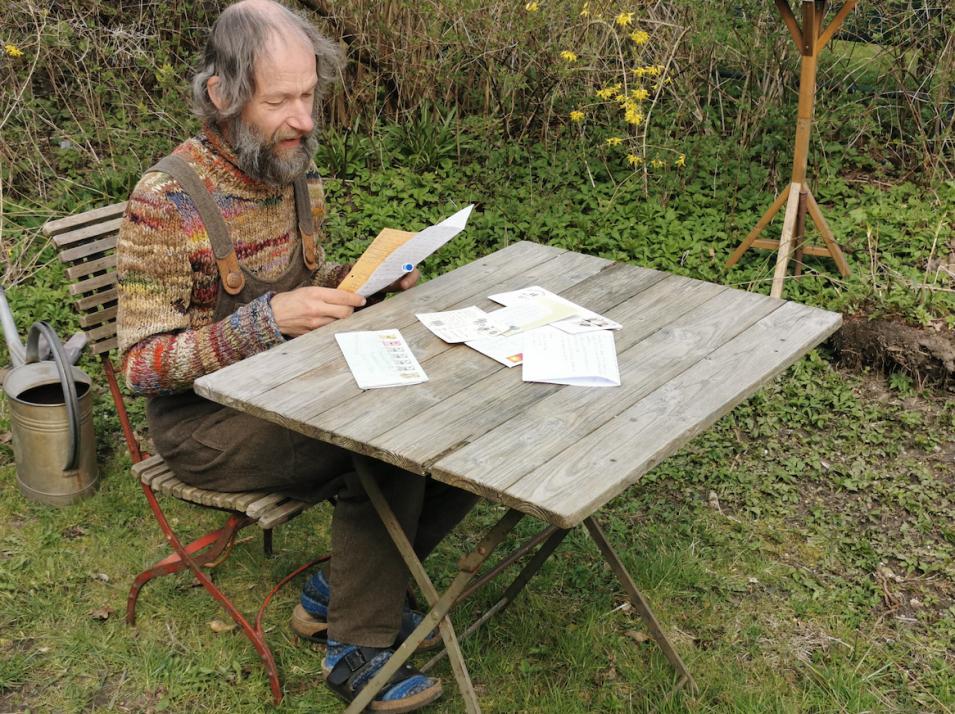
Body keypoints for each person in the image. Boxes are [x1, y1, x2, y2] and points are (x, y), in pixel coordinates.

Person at [115, 1, 477, 710]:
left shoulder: (290, 167)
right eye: (279, 100)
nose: (304, 119)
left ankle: (334, 595)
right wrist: (262, 324)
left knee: (464, 427)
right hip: (206, 428)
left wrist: (365, 280)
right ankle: (357, 649)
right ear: (220, 95)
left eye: (307, 95)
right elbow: (139, 367)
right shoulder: (166, 201)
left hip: (294, 385)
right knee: (389, 440)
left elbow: (302, 287)